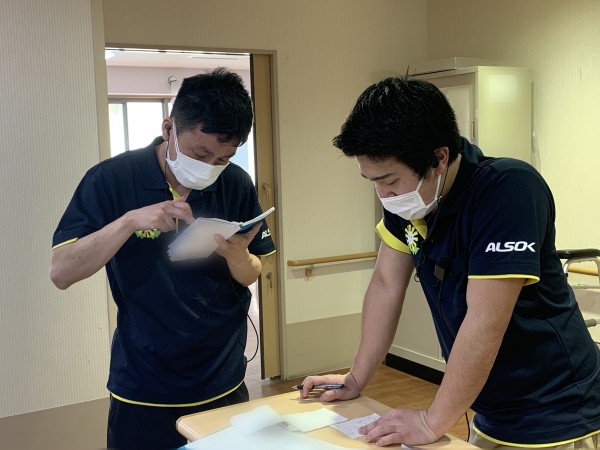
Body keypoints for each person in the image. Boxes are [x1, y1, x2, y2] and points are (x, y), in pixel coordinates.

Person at [300, 77, 600, 448]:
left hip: (558, 409)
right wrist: (355, 379)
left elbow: (485, 321)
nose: (383, 194)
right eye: (371, 181)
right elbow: (385, 284)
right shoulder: (410, 201)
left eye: (389, 179)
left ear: (439, 158)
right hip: (488, 406)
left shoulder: (508, 188)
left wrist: (431, 422)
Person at [50, 68, 275, 449]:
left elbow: (253, 272)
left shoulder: (235, 182)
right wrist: (127, 222)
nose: (211, 167)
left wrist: (238, 256)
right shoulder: (111, 179)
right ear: (168, 128)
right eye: (200, 153)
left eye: (224, 157)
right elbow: (62, 272)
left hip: (222, 376)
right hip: (145, 382)